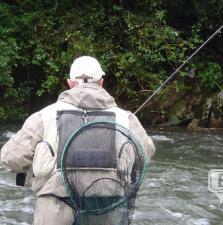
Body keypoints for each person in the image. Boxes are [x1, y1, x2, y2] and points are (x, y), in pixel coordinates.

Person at [1, 56, 156, 225]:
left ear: (70, 83)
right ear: (101, 82)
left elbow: (10, 160)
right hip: (108, 206)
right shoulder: (127, 118)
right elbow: (145, 156)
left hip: (56, 207)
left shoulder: (43, 117)